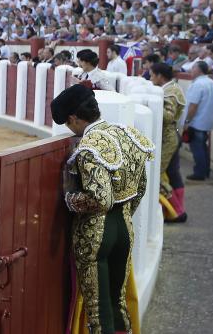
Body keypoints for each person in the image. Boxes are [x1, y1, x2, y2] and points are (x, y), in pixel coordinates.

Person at [51, 85, 154, 334]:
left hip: (96, 233)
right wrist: (125, 214)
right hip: (125, 228)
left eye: (67, 123)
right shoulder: (128, 134)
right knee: (118, 300)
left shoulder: (90, 146)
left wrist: (71, 200)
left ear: (74, 118)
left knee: (98, 309)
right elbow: (141, 187)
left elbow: (101, 199)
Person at [149, 63, 188, 223]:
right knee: (172, 173)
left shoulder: (170, 91)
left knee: (157, 174)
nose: (150, 78)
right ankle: (178, 210)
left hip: (167, 138)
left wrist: (151, 105)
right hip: (170, 136)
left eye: (152, 75)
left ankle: (176, 212)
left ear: (159, 76)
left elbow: (169, 116)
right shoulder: (170, 88)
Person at [183, 62, 213, 181]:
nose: (191, 71)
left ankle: (199, 173)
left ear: (199, 70)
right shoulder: (212, 83)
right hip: (207, 120)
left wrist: (187, 121)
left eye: (193, 68)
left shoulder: (198, 84)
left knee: (197, 148)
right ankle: (205, 171)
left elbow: (193, 106)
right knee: (203, 147)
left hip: (197, 121)